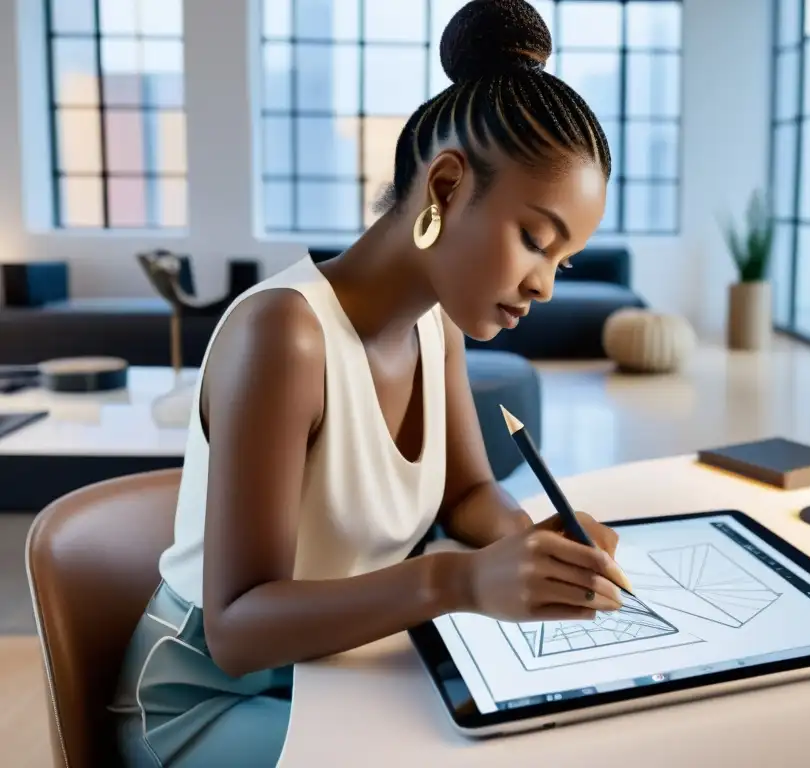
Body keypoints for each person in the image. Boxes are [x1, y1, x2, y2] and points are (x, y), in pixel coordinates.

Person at [108, 1, 623, 764]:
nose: (545, 284)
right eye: (535, 241)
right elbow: (237, 626)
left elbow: (468, 496)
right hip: (206, 700)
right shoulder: (282, 335)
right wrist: (459, 582)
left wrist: (532, 546)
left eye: (564, 261)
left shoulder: (436, 324)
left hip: (341, 666)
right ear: (445, 188)